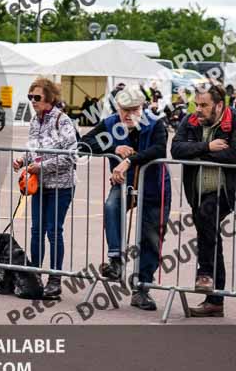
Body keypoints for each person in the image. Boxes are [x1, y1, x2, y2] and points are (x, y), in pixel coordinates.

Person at [79, 85, 171, 310]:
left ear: (143, 107)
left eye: (134, 109)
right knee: (111, 206)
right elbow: (84, 145)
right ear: (117, 108)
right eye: (124, 110)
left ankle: (142, 288)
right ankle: (116, 260)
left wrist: (131, 160)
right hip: (124, 184)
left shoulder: (156, 123)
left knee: (150, 235)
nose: (128, 115)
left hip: (154, 184)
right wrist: (114, 148)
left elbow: (159, 150)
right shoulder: (110, 123)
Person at [171, 84, 236, 317]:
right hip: (196, 191)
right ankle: (215, 301)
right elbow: (176, 149)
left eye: (204, 105)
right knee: (210, 236)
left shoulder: (233, 120)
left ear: (219, 105)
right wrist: (207, 147)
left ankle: (205, 273)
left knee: (209, 218)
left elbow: (232, 154)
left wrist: (196, 152)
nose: (198, 109)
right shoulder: (190, 120)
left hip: (225, 192)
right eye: (196, 104)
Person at [12, 78, 77, 298]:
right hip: (39, 186)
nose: (32, 101)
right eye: (30, 97)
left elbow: (70, 157)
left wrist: (41, 168)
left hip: (61, 186)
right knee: (36, 230)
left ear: (49, 97)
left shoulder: (63, 121)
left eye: (37, 97)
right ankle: (35, 274)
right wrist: (22, 160)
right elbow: (32, 149)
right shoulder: (34, 121)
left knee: (53, 231)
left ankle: (55, 278)